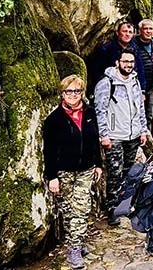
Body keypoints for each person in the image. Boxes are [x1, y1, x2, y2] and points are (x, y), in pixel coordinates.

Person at [42, 75, 103, 270]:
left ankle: (74, 249)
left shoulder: (89, 112)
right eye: (69, 91)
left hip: (85, 169)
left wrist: (98, 164)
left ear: (82, 93)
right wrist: (52, 177)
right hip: (64, 171)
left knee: (83, 207)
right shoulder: (54, 120)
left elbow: (95, 140)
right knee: (69, 211)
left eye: (77, 91)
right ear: (62, 93)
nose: (73, 95)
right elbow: (49, 150)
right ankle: (76, 242)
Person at [93, 49, 149, 226]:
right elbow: (100, 111)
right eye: (125, 61)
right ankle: (112, 209)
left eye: (131, 62)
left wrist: (143, 130)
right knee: (115, 173)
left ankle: (125, 204)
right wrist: (104, 135)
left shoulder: (135, 81)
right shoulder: (107, 83)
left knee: (127, 172)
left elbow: (140, 107)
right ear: (118, 62)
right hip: (115, 135)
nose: (129, 65)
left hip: (132, 134)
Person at [88, 21, 146, 94]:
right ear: (117, 33)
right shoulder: (107, 49)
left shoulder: (135, 49)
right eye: (124, 31)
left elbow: (140, 70)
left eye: (130, 32)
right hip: (111, 89)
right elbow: (97, 71)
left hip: (131, 88)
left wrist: (142, 90)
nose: (127, 34)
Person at [134, 19, 153, 125]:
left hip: (152, 86)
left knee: (150, 115)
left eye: (151, 28)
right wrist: (141, 90)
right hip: (139, 87)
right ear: (140, 30)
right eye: (146, 28)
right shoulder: (134, 45)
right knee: (139, 116)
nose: (149, 31)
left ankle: (149, 140)